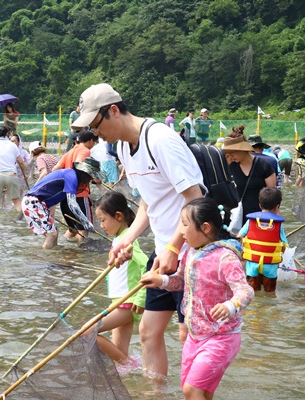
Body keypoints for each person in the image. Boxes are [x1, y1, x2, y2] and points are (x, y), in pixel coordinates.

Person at [71, 83, 204, 381]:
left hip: (191, 251)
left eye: (96, 125)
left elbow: (195, 198)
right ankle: (156, 391)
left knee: (187, 335)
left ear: (114, 111)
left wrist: (174, 247)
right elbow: (149, 199)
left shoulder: (159, 139)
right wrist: (128, 238)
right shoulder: (120, 146)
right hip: (164, 249)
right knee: (148, 331)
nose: (95, 134)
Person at [141, 198, 254, 400]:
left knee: (191, 390)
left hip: (222, 337)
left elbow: (246, 291)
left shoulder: (225, 257)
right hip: (196, 335)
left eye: (185, 225)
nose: (181, 232)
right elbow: (181, 282)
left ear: (205, 227)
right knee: (200, 391)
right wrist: (161, 280)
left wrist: (230, 306)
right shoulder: (191, 253)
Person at [85, 191, 147, 372]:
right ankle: (131, 378)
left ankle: (129, 364)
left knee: (87, 331)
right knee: (118, 353)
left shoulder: (128, 240)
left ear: (118, 216)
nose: (101, 225)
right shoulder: (120, 238)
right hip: (119, 302)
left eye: (103, 220)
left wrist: (140, 298)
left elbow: (146, 266)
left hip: (127, 304)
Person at [21, 157, 102, 249]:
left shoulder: (70, 175)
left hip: (36, 203)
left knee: (55, 232)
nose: (91, 180)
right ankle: (45, 259)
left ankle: (52, 257)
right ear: (85, 173)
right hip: (33, 202)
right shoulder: (72, 177)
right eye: (91, 176)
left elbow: (65, 204)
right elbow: (72, 204)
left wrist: (71, 226)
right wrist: (86, 222)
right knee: (52, 235)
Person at [238, 187, 287, 292]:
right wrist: (278, 258)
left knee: (252, 292)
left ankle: (255, 308)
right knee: (270, 293)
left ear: (259, 205)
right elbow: (284, 246)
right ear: (277, 207)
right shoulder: (278, 226)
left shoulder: (251, 221)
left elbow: (239, 236)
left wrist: (243, 252)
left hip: (252, 264)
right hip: (270, 266)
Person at [53, 129, 97, 241]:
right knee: (83, 229)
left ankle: (65, 250)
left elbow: (55, 169)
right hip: (79, 195)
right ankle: (79, 255)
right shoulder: (85, 150)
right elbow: (77, 165)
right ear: (91, 140)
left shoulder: (70, 152)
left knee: (72, 230)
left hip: (65, 196)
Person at [222, 135, 276, 220]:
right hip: (237, 216)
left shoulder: (264, 166)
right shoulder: (231, 167)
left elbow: (272, 195)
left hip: (259, 217)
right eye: (228, 154)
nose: (231, 156)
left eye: (232, 153)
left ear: (242, 150)